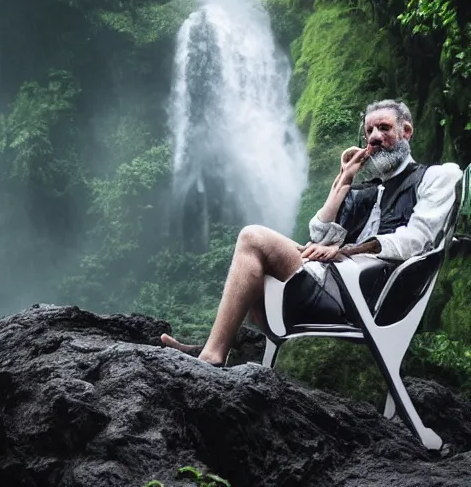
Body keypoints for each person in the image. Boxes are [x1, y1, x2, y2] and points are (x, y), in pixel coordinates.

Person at [161, 99, 464, 366]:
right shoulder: (369, 191)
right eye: (369, 131)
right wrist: (343, 179)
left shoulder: (438, 175)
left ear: (406, 132)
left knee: (253, 237)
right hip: (337, 283)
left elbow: (417, 241)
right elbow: (319, 233)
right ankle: (216, 351)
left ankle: (214, 355)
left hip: (368, 296)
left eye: (383, 128)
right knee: (254, 258)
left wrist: (347, 251)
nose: (373, 138)